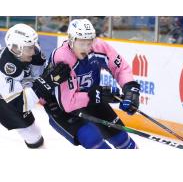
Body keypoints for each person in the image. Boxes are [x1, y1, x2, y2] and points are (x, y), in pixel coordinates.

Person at [44, 19, 140, 149]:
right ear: (71, 40)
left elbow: (120, 67)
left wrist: (130, 89)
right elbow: (68, 103)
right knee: (94, 141)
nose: (86, 48)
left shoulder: (98, 46)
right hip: (60, 108)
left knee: (121, 138)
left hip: (91, 98)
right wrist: (98, 95)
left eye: (89, 43)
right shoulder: (62, 57)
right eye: (81, 43)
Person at [0, 23, 70, 148]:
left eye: (33, 46)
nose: (33, 51)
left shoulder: (33, 50)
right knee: (33, 134)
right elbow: (20, 104)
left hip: (19, 90)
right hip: (4, 100)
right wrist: (46, 84)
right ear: (16, 48)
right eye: (29, 48)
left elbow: (41, 75)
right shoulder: (5, 68)